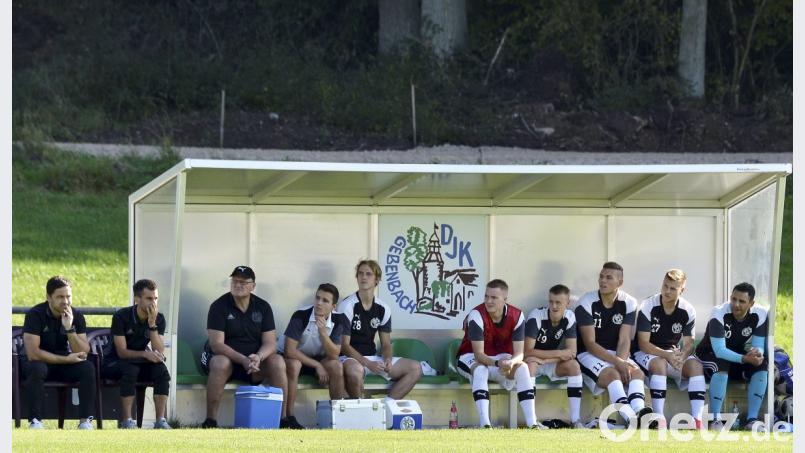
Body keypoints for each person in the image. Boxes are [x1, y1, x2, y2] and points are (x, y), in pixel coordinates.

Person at [199, 266, 290, 428]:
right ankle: (210, 421)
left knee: (277, 361)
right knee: (221, 363)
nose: (237, 285)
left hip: (252, 364)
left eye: (243, 282)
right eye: (234, 281)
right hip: (227, 361)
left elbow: (270, 343)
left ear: (253, 286)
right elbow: (217, 345)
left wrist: (258, 357)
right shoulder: (219, 306)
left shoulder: (263, 307)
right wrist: (243, 360)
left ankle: (282, 420)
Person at [456, 279, 543, 429]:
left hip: (501, 359)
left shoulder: (517, 315)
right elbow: (479, 355)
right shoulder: (476, 315)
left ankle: (532, 424)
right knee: (481, 369)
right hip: (469, 356)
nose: (488, 301)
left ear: (505, 300)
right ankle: (485, 424)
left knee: (522, 367)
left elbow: (519, 354)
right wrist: (498, 363)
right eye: (486, 296)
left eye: (494, 298)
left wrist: (511, 362)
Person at [575, 262, 652, 426]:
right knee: (612, 375)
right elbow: (589, 343)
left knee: (637, 373)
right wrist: (617, 363)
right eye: (601, 277)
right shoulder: (586, 302)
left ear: (620, 282)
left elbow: (625, 339)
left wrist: (621, 362)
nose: (603, 281)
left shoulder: (629, 302)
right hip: (587, 354)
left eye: (609, 277)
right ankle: (631, 419)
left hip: (616, 354)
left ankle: (639, 411)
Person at [337, 259, 422, 402]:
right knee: (354, 371)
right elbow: (344, 346)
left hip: (373, 358)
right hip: (350, 359)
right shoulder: (347, 305)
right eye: (360, 274)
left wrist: (387, 359)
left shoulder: (383, 308)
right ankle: (361, 413)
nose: (364, 277)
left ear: (377, 280)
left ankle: (386, 406)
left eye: (368, 274)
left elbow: (386, 344)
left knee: (415, 368)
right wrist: (367, 363)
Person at [633, 269, 705, 429]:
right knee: (659, 363)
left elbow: (689, 343)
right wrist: (668, 355)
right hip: (645, 354)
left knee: (696, 366)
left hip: (671, 355)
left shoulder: (688, 310)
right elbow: (643, 343)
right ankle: (659, 419)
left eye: (673, 288)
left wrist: (681, 356)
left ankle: (697, 420)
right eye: (665, 286)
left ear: (682, 290)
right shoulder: (648, 306)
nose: (667, 291)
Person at [22, 276, 96, 429]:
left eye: (68, 296)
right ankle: (35, 421)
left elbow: (83, 351)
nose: (65, 301)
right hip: (38, 362)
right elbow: (33, 353)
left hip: (62, 362)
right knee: (37, 368)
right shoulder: (35, 315)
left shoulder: (76, 316)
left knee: (87, 368)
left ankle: (85, 421)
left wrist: (70, 329)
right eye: (60, 297)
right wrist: (66, 360)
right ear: (49, 297)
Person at [694, 282, 768, 431]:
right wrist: (746, 358)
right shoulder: (719, 313)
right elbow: (720, 350)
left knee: (762, 365)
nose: (736, 304)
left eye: (742, 301)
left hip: (736, 357)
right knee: (722, 364)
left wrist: (757, 354)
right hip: (708, 356)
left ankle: (752, 420)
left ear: (752, 303)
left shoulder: (759, 314)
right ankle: (715, 420)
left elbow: (759, 344)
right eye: (733, 299)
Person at [277, 283, 349, 429]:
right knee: (294, 364)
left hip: (321, 359)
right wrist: (317, 365)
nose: (319, 303)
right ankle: (288, 417)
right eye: (317, 298)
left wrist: (323, 332)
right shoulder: (301, 315)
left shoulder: (340, 319)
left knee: (336, 366)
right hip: (295, 358)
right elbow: (290, 350)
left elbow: (334, 354)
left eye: (325, 300)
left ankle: (338, 418)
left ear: (333, 307)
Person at [103, 279, 172, 429]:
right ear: (137, 299)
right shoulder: (121, 316)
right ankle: (127, 421)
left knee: (161, 371)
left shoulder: (158, 318)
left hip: (138, 362)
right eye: (149, 298)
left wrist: (152, 325)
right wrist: (145, 355)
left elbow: (159, 349)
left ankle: (160, 421)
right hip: (113, 362)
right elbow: (121, 352)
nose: (153, 303)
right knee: (130, 369)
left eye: (155, 298)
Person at [524, 284, 584, 428]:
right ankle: (532, 422)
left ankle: (576, 420)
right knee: (531, 365)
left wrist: (547, 360)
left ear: (567, 303)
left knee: (574, 366)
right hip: (533, 362)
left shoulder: (570, 316)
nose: (554, 306)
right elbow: (527, 351)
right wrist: (558, 353)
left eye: (558, 302)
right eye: (551, 302)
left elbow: (572, 352)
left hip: (547, 362)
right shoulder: (536, 316)